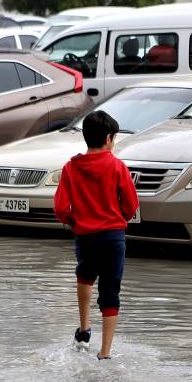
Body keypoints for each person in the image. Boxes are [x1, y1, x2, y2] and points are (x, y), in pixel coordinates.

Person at [53, 110, 139, 360]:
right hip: (113, 236)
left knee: (85, 276)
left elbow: (60, 208)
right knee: (111, 291)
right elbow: (131, 204)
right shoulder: (117, 166)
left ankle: (84, 329)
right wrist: (119, 218)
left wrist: (74, 222)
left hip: (85, 235)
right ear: (109, 138)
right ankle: (105, 352)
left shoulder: (71, 168)